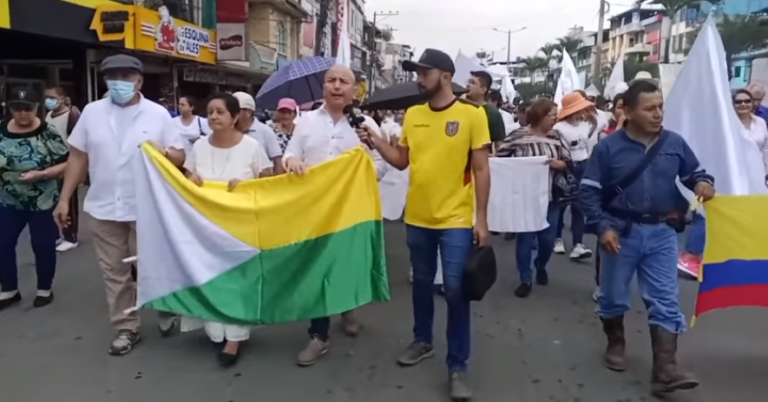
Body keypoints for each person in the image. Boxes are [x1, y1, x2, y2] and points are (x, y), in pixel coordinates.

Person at [357, 48, 491, 401]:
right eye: (417, 72)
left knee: (456, 291)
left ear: (445, 76)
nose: (418, 78)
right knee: (420, 287)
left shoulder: (472, 115)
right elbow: (402, 161)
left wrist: (482, 219)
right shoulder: (413, 115)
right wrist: (376, 141)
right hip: (416, 217)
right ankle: (422, 340)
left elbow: (480, 169)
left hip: (456, 220)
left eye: (425, 72)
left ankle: (458, 365)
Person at [580, 80, 714, 394]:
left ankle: (665, 370)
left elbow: (694, 173)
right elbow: (588, 194)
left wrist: (703, 184)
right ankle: (615, 341)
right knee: (613, 297)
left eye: (660, 107)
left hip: (663, 233)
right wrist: (603, 227)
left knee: (666, 300)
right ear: (627, 111)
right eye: (649, 108)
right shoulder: (607, 148)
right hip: (620, 233)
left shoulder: (674, 143)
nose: (657, 114)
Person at [54, 54, 186, 356]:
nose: (119, 82)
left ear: (139, 80)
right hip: (103, 207)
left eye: (126, 76)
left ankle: (164, 305)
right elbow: (78, 157)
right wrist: (64, 199)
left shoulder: (157, 115)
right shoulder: (91, 112)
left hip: (147, 208)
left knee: (150, 266)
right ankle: (126, 327)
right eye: (113, 77)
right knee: (114, 272)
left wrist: (163, 151)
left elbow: (180, 157)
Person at [282, 65, 388, 367]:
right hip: (314, 209)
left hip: (351, 210)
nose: (337, 86)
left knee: (345, 263)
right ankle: (319, 335)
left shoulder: (366, 124)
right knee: (318, 267)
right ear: (323, 87)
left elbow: (381, 164)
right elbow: (290, 154)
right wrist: (292, 163)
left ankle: (347, 306)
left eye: (344, 82)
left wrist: (362, 171)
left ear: (355, 90)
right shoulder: (305, 122)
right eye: (331, 81)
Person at [181, 93, 272, 368]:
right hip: (205, 227)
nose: (213, 116)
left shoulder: (252, 147)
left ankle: (235, 336)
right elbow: (186, 175)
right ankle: (215, 329)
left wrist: (247, 186)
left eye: (220, 112)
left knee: (237, 281)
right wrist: (191, 179)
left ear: (235, 117)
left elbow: (268, 178)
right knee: (210, 278)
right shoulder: (199, 148)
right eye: (210, 112)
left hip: (240, 227)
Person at [677, 89, 768, 278]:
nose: (743, 104)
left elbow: (765, 149)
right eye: (739, 102)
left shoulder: (760, 123)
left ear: (753, 103)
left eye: (747, 101)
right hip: (728, 174)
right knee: (710, 211)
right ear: (732, 105)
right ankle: (690, 256)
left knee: (746, 215)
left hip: (754, 175)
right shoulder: (726, 124)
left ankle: (737, 257)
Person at [0, 87, 69, 311]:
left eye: (27, 109)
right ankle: (9, 288)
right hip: (8, 200)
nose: (22, 114)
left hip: (43, 199)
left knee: (42, 244)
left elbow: (68, 162)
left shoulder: (48, 132)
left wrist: (43, 174)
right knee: (3, 243)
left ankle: (44, 289)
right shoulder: (1, 129)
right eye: (17, 109)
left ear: (36, 108)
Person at [496, 99, 570, 298]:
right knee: (525, 240)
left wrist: (558, 164)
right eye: (551, 114)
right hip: (525, 198)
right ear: (539, 115)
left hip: (551, 198)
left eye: (556, 114)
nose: (555, 118)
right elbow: (499, 158)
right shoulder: (518, 135)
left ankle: (541, 264)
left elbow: (567, 162)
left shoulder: (557, 136)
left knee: (547, 240)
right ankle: (525, 278)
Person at [552, 92, 594, 260]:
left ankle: (578, 243)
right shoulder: (558, 128)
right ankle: (557, 239)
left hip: (583, 164)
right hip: (566, 166)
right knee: (561, 204)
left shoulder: (585, 124)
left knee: (579, 207)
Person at [44, 86, 81, 252]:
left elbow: (77, 145)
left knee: (69, 199)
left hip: (67, 160)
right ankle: (59, 233)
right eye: (46, 97)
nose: (48, 101)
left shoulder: (71, 116)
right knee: (54, 200)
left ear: (62, 98)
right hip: (51, 161)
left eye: (52, 97)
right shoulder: (48, 116)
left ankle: (70, 236)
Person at [232, 92, 282, 174]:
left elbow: (277, 160)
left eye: (235, 110)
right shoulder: (227, 131)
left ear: (248, 112)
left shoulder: (265, 131)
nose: (231, 114)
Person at [466, 70, 506, 151]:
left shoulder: (493, 114)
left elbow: (499, 145)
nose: (468, 85)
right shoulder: (460, 108)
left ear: (483, 90)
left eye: (473, 83)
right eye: (468, 82)